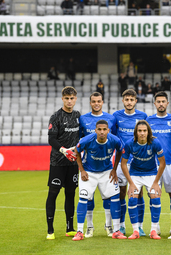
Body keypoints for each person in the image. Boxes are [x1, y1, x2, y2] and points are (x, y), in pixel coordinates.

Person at [72, 120, 126, 241]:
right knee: (84, 198)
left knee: (115, 197)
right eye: (99, 129)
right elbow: (77, 151)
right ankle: (80, 231)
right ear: (95, 130)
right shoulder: (87, 140)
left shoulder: (115, 140)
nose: (102, 132)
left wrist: (114, 169)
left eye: (104, 129)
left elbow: (120, 151)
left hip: (107, 172)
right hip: (89, 172)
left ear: (108, 130)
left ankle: (115, 230)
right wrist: (82, 170)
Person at [79, 92, 117, 238]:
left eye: (99, 101)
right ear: (90, 102)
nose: (96, 103)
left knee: (108, 197)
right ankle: (89, 227)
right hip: (89, 163)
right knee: (88, 197)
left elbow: (114, 139)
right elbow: (80, 141)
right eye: (93, 101)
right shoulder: (83, 119)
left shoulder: (111, 119)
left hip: (106, 164)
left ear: (102, 102)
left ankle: (108, 226)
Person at [45, 86, 80, 240]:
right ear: (62, 99)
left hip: (72, 163)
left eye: (72, 98)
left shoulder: (78, 116)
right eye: (66, 98)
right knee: (53, 193)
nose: (69, 101)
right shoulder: (56, 116)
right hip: (58, 162)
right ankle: (50, 230)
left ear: (76, 99)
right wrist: (64, 150)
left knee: (71, 194)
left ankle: (70, 228)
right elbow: (51, 139)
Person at [121, 120, 165, 239]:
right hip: (135, 173)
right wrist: (130, 183)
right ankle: (135, 231)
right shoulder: (130, 143)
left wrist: (156, 182)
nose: (142, 133)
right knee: (132, 199)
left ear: (148, 132)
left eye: (144, 131)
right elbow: (123, 164)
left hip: (151, 173)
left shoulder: (155, 143)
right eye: (139, 131)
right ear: (136, 132)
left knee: (155, 198)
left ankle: (153, 231)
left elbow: (162, 163)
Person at [112, 89, 148, 236]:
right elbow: (113, 136)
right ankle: (121, 226)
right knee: (121, 192)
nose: (129, 102)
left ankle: (139, 226)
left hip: (138, 161)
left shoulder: (142, 116)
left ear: (135, 101)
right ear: (123, 101)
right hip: (122, 160)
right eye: (126, 99)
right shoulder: (116, 116)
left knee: (138, 193)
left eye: (131, 99)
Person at [146, 91, 171, 234]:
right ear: (154, 104)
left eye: (163, 101)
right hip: (154, 164)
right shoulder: (149, 120)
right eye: (158, 102)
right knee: (153, 194)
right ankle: (155, 226)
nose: (160, 104)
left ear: (167, 103)